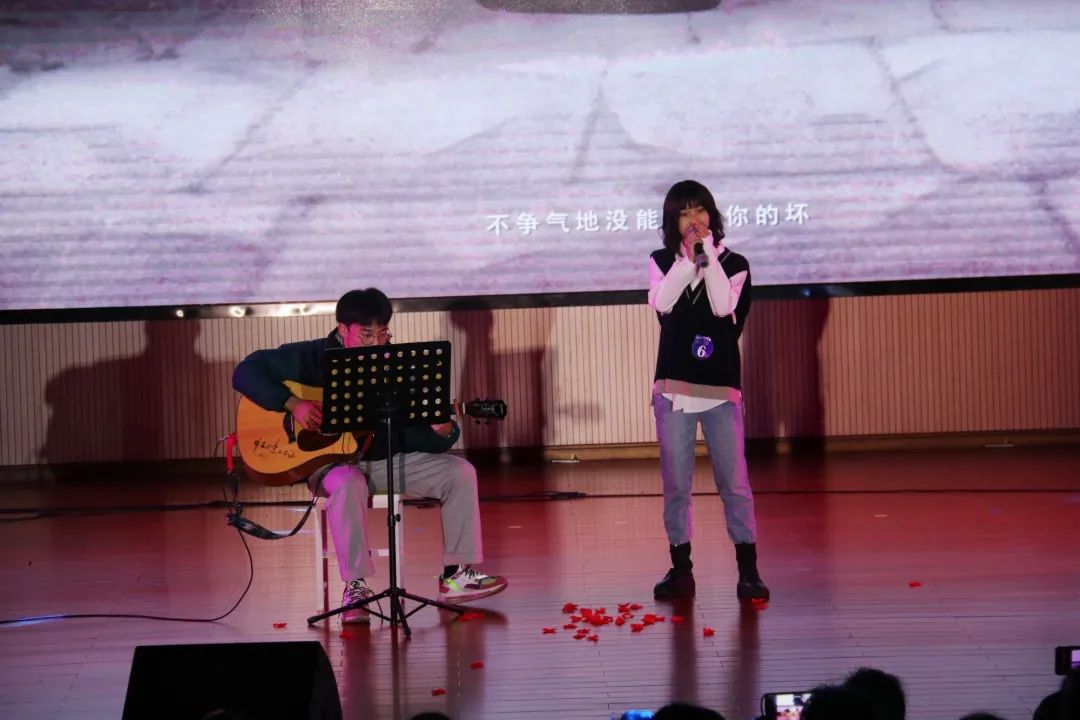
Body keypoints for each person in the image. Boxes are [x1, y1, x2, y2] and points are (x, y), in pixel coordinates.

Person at [233, 288, 507, 622]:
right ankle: (356, 586)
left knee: (459, 473)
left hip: (384, 461)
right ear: (342, 329)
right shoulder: (312, 357)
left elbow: (411, 435)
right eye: (366, 335)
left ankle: (456, 575)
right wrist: (294, 404)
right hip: (331, 467)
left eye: (383, 334)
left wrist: (442, 431)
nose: (376, 343)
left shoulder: (397, 366)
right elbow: (245, 372)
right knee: (349, 482)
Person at [647, 179, 768, 601]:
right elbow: (663, 303)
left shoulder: (735, 264)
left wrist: (707, 257)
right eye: (684, 213)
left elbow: (722, 307)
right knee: (676, 486)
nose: (693, 220)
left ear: (712, 216)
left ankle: (748, 569)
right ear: (673, 222)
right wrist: (686, 262)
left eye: (699, 210)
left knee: (734, 484)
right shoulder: (661, 261)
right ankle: (681, 569)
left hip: (720, 390)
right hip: (674, 389)